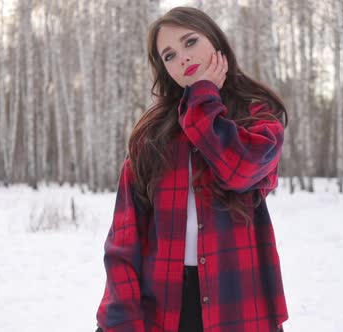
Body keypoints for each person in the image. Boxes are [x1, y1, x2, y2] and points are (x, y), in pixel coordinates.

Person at [95, 6, 288, 332]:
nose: (182, 58)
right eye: (168, 55)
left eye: (190, 42)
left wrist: (203, 99)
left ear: (216, 41)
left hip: (238, 299)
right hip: (166, 306)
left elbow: (238, 171)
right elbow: (124, 238)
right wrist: (121, 319)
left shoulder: (257, 116)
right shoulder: (152, 135)